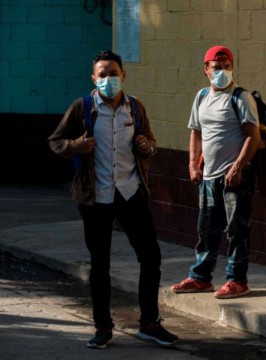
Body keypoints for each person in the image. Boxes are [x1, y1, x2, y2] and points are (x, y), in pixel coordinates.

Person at [48, 50, 178, 349]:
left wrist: (147, 147)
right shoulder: (82, 108)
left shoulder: (134, 107)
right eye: (102, 74)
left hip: (131, 192)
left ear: (124, 75)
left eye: (113, 73)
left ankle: (149, 323)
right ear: (93, 79)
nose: (109, 79)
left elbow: (149, 143)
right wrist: (77, 145)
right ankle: (102, 327)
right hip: (96, 198)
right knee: (100, 264)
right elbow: (55, 142)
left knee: (151, 256)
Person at [170, 45, 261, 299]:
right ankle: (200, 277)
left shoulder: (241, 98)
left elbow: (252, 137)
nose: (222, 72)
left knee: (237, 230)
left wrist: (238, 167)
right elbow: (196, 132)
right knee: (206, 229)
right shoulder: (201, 97)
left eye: (227, 67)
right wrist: (192, 163)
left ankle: (237, 280)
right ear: (206, 70)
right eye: (217, 67)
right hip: (208, 177)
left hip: (235, 177)